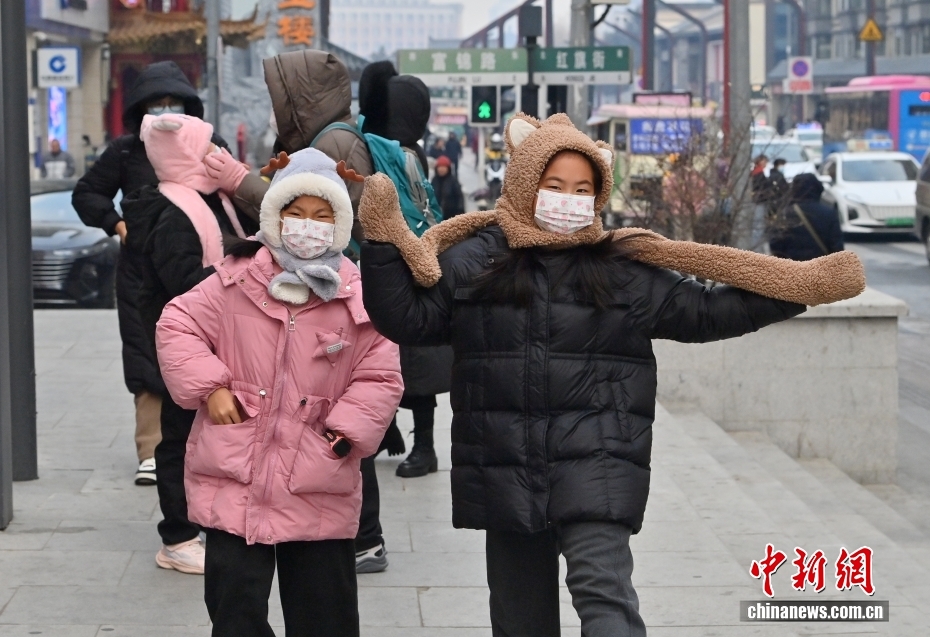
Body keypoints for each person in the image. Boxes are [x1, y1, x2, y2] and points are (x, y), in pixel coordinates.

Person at [357, 113, 865, 637]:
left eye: (582, 189)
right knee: (518, 616)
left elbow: (705, 311)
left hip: (598, 465)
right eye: (555, 185)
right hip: (507, 466)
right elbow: (408, 319)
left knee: (605, 601)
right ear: (526, 183)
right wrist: (379, 244)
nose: (568, 199)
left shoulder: (621, 267)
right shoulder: (476, 260)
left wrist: (801, 289)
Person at [155, 148, 403, 637]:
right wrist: (211, 386)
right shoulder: (233, 279)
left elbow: (381, 372)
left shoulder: (356, 293)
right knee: (234, 611)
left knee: (324, 615)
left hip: (318, 475)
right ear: (275, 216)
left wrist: (344, 433)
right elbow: (176, 323)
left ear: (340, 223)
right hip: (236, 474)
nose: (307, 225)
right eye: (296, 212)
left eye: (321, 215)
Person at [72, 61, 262, 487]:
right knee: (147, 355)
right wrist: (117, 224)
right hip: (142, 271)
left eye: (173, 102)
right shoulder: (125, 151)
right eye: (155, 104)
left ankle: (205, 445)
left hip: (202, 266)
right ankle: (150, 448)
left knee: (208, 358)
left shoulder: (208, 142)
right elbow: (87, 192)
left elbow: (233, 195)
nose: (165, 111)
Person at [121, 113, 257, 575]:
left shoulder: (211, 199)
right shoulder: (174, 213)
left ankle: (209, 520)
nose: (218, 154)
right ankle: (177, 537)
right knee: (179, 438)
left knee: (209, 436)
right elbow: (183, 283)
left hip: (217, 337)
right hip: (186, 342)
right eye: (208, 148)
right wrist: (240, 268)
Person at [358, 60, 454, 484]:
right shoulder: (394, 150)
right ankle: (392, 432)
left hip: (411, 264)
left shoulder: (403, 155)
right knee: (387, 358)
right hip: (394, 261)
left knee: (415, 365)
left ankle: (425, 447)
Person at [769, 172, 844, 261]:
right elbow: (837, 247)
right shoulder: (829, 214)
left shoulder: (785, 214)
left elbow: (776, 246)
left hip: (793, 266)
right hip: (820, 266)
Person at [431, 155, 466, 219]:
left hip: (451, 216)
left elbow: (459, 197)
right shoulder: (434, 180)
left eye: (444, 167)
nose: (441, 169)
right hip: (436, 216)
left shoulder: (453, 181)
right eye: (440, 167)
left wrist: (460, 212)